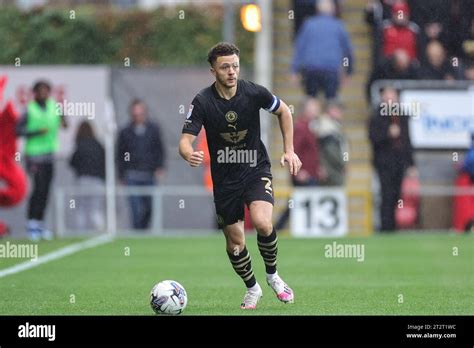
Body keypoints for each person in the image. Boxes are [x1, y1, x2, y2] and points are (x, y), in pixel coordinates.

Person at [179, 42, 302, 309]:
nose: (232, 72)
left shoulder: (253, 92)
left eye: (235, 66)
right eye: (225, 67)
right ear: (213, 70)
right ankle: (252, 288)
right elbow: (185, 140)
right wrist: (188, 153)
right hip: (224, 180)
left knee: (262, 223)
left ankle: (273, 276)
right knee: (235, 243)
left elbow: (284, 111)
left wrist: (289, 150)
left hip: (255, 168)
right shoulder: (202, 101)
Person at [16, 80, 67, 241]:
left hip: (49, 155)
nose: (44, 94)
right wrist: (36, 132)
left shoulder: (54, 107)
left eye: (46, 90)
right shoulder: (29, 110)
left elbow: (64, 124)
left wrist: (63, 119)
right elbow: (18, 130)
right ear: (35, 93)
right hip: (34, 156)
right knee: (37, 189)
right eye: (41, 91)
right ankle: (31, 223)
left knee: (45, 190)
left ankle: (40, 224)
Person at [368, 86, 416, 232]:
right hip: (384, 163)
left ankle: (393, 226)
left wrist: (411, 164)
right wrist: (387, 134)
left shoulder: (402, 116)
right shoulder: (376, 116)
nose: (389, 99)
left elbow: (407, 140)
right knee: (386, 195)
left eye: (392, 95)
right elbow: (373, 138)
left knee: (396, 195)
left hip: (399, 162)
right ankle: (385, 227)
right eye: (387, 96)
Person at [117, 99, 165, 230]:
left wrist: (159, 167)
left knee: (149, 207)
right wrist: (121, 174)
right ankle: (137, 233)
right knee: (135, 208)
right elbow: (120, 155)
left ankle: (144, 230)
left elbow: (159, 150)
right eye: (135, 114)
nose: (138, 116)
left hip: (149, 174)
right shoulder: (125, 132)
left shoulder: (154, 130)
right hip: (132, 175)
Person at [291, 0, 354, 101]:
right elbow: (348, 50)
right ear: (333, 10)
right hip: (331, 71)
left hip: (311, 70)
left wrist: (295, 70)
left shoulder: (308, 24)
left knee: (311, 101)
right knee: (331, 102)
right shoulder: (338, 26)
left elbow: (300, 49)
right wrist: (348, 72)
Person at [275, 98, 322, 230]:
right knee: (298, 202)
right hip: (303, 173)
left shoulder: (311, 126)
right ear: (306, 110)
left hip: (310, 172)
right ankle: (281, 227)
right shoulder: (301, 127)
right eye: (313, 108)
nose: (316, 111)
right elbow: (293, 148)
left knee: (297, 202)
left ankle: (281, 227)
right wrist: (298, 171)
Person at [69, 121, 106, 230]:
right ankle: (100, 231)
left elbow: (72, 162)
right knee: (95, 209)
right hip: (97, 181)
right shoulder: (98, 145)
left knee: (81, 209)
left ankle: (80, 233)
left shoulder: (80, 145)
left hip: (82, 180)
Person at [313, 101, 347, 186]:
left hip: (333, 168)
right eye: (338, 110)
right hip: (331, 169)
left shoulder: (333, 125)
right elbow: (329, 150)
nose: (341, 113)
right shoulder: (326, 127)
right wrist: (342, 163)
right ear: (330, 110)